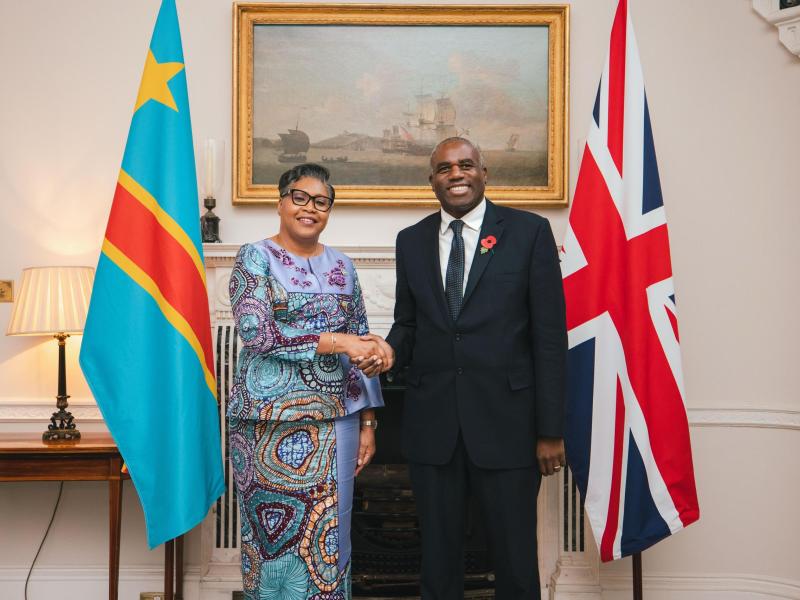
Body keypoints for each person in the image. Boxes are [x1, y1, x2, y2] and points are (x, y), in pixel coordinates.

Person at [384, 137, 567, 599]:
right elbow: (407, 324)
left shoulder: (529, 233)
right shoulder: (411, 241)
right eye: (444, 169)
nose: (456, 174)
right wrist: (384, 353)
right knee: (439, 562)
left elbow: (548, 337)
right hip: (433, 427)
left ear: (484, 173)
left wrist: (550, 431)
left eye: (466, 165)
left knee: (515, 560)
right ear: (432, 181)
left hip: (508, 426)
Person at [228, 163, 391, 599]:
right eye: (300, 197)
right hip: (266, 427)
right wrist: (339, 342)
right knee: (272, 543)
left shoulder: (343, 266)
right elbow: (257, 333)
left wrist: (369, 423)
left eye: (321, 202)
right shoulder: (254, 257)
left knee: (331, 538)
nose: (310, 208)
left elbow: (361, 347)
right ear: (281, 202)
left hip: (336, 425)